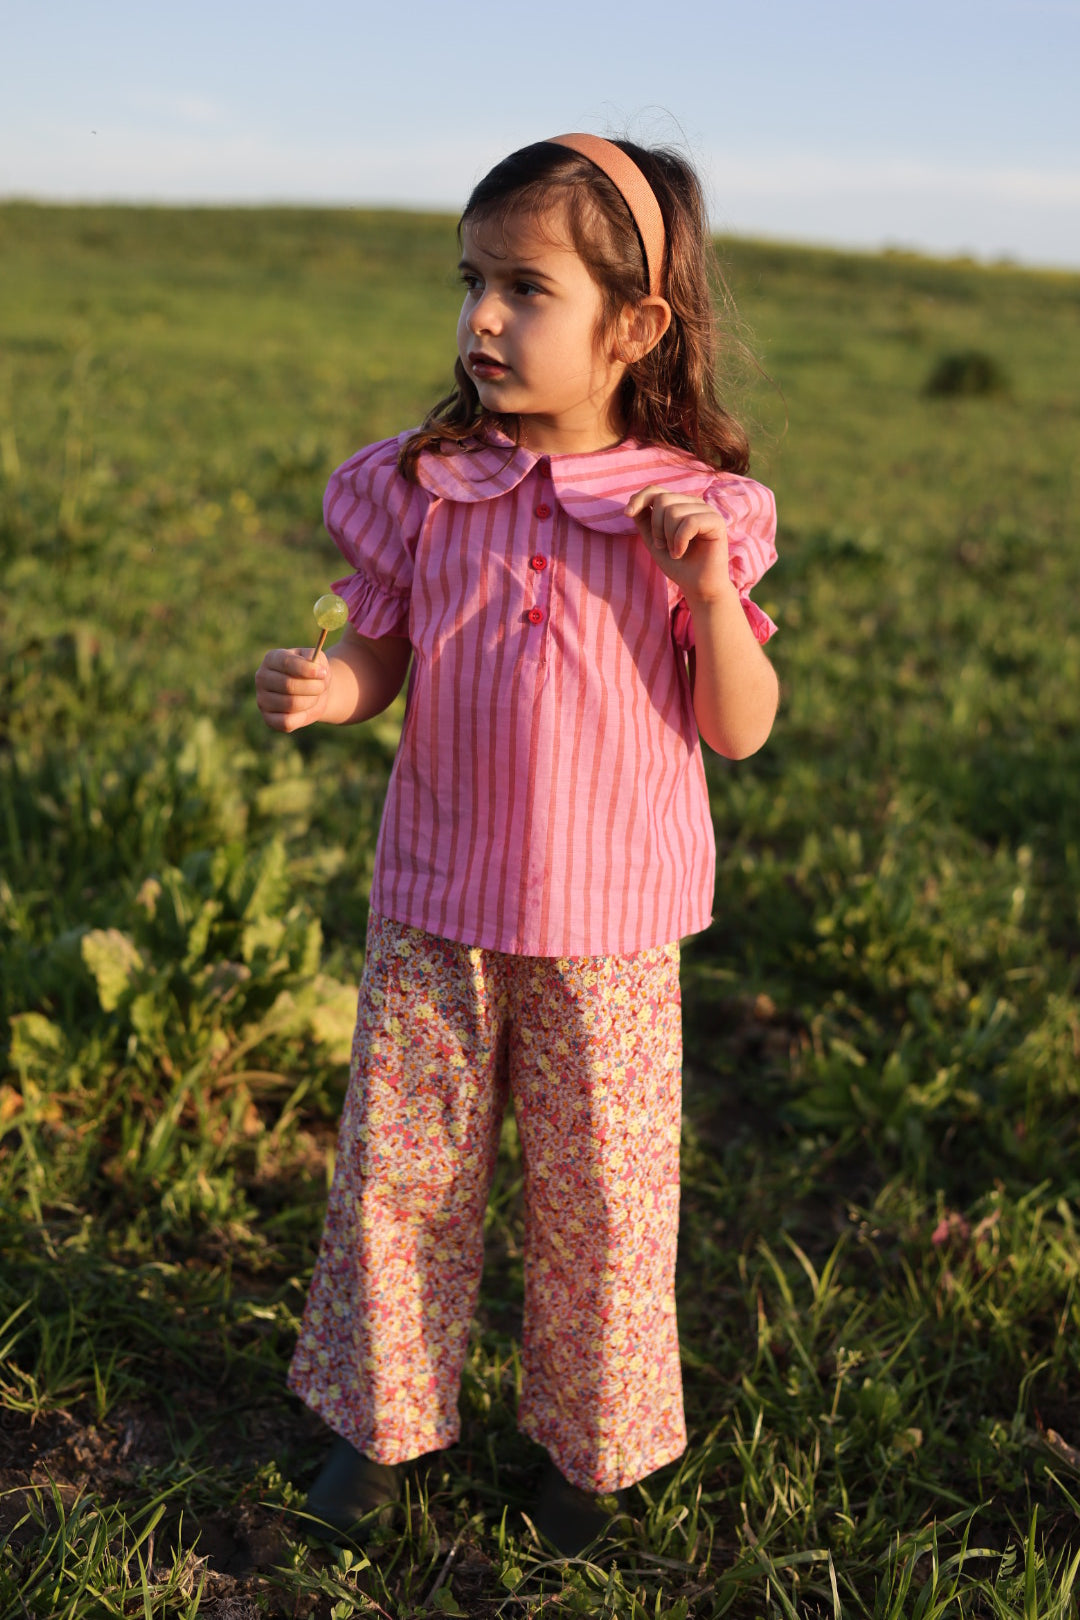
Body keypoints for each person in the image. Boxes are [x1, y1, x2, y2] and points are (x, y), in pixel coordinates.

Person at [255, 133, 780, 1556]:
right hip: (437, 903)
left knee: (604, 1201)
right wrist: (334, 689)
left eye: (525, 289)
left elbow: (739, 727)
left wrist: (713, 601)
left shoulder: (686, 516)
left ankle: (588, 1454)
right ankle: (382, 1425)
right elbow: (385, 652)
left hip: (611, 928)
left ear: (635, 327)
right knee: (401, 1176)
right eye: (470, 281)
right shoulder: (430, 485)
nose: (482, 318)